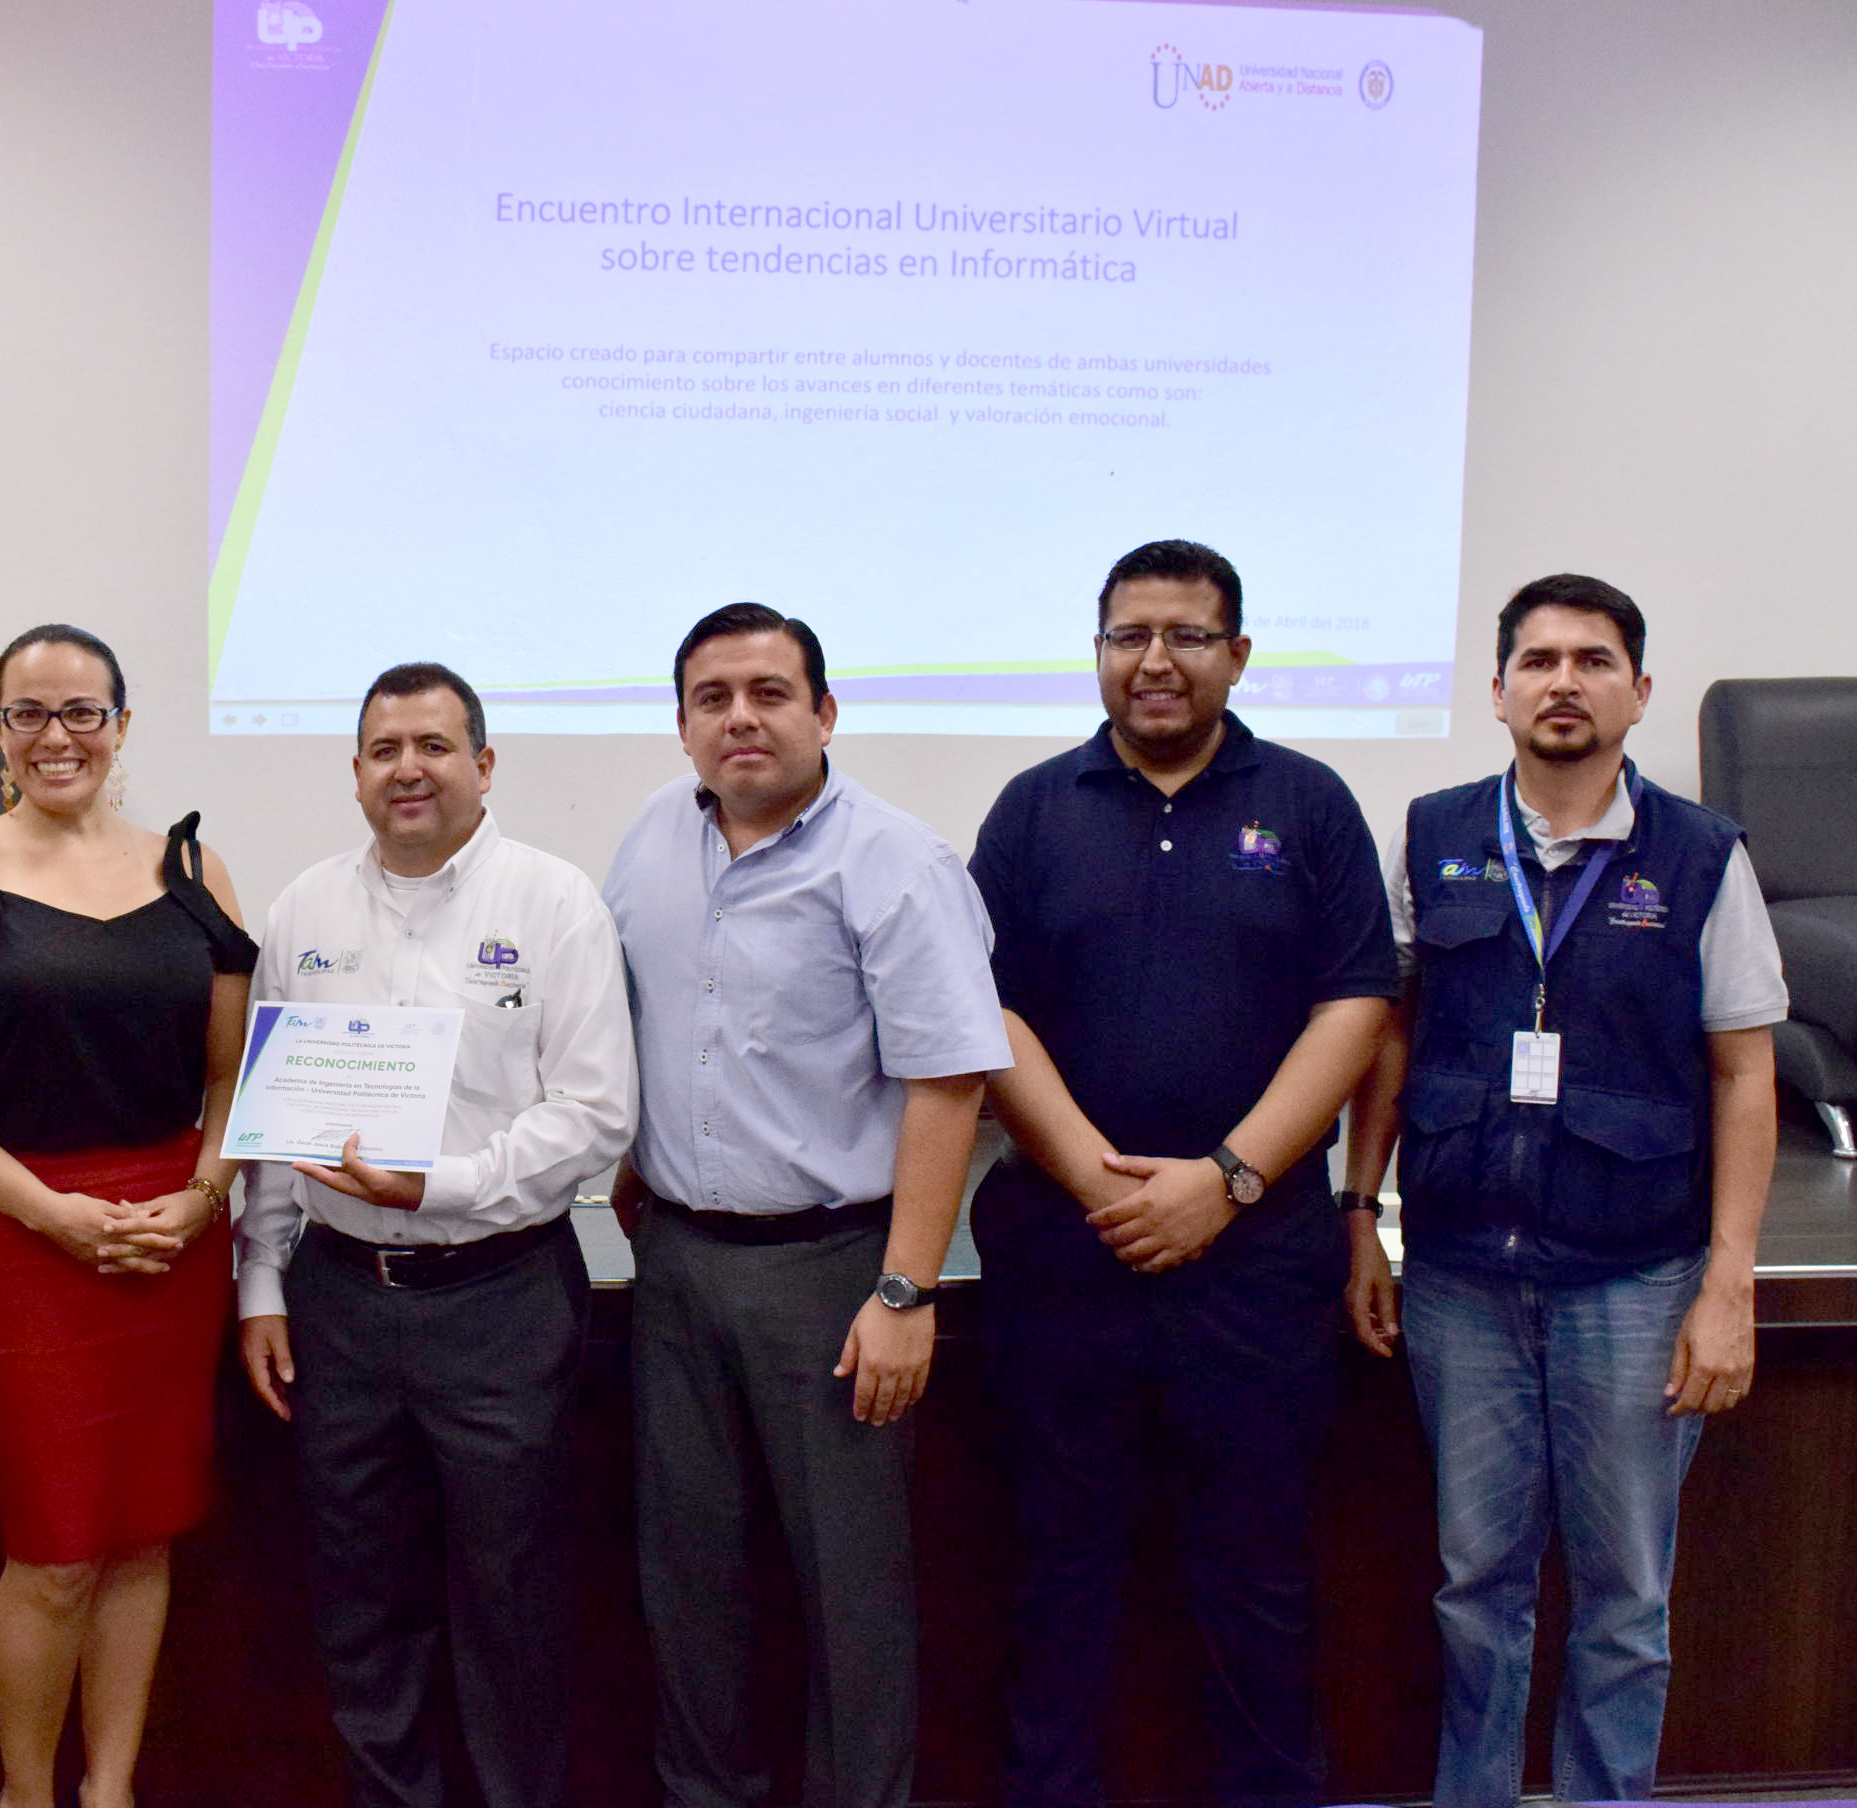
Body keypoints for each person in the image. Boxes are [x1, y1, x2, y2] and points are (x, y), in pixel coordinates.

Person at [1340, 574, 1784, 1808]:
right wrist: (1361, 1214)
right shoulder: (1434, 833)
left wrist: (1729, 1281)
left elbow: (1745, 1072)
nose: (1564, 682)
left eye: (1594, 660)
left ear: (1640, 691)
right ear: (1497, 691)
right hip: (1462, 1276)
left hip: (1635, 1278)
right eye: (1538, 660)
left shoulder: (1702, 855)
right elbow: (1387, 1036)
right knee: (1475, 1584)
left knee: (1625, 1597)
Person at [966, 540, 1395, 1808]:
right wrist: (1101, 1182)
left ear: (1238, 655)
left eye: (1188, 635)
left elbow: (1356, 1003)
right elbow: (987, 1010)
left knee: (1257, 1573)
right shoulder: (1033, 808)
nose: (1155, 660)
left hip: (1255, 1264)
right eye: (1129, 635)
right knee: (1058, 1569)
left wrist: (1228, 1180)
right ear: (1098, 651)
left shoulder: (1309, 802)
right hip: (1066, 1257)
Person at [603, 603, 1010, 1808]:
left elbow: (950, 1079)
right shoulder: (651, 838)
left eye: (770, 692)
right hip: (676, 1261)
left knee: (850, 1593)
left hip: (832, 1274)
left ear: (824, 713)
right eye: (713, 696)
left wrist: (906, 1287)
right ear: (682, 724)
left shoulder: (897, 862)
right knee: (690, 1580)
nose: (742, 717)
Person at [0, 624, 256, 1808]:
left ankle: (111, 1788)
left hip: (172, 1240)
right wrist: (54, 1212)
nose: (57, 736)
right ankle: (27, 1793)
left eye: (82, 710)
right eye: (29, 712)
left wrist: (203, 1196)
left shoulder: (194, 870)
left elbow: (235, 1076)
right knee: (54, 1547)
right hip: (22, 1241)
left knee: (143, 1529)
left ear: (122, 724)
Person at [235, 662, 635, 1808]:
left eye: (434, 745)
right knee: (362, 1600)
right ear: (356, 773)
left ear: (484, 764)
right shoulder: (304, 909)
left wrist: (438, 1186)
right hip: (339, 1300)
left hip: (500, 1298)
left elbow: (596, 1114)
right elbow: (277, 1117)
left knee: (514, 1600)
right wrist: (261, 1280)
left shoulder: (554, 902)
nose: (408, 768)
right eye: (384, 749)